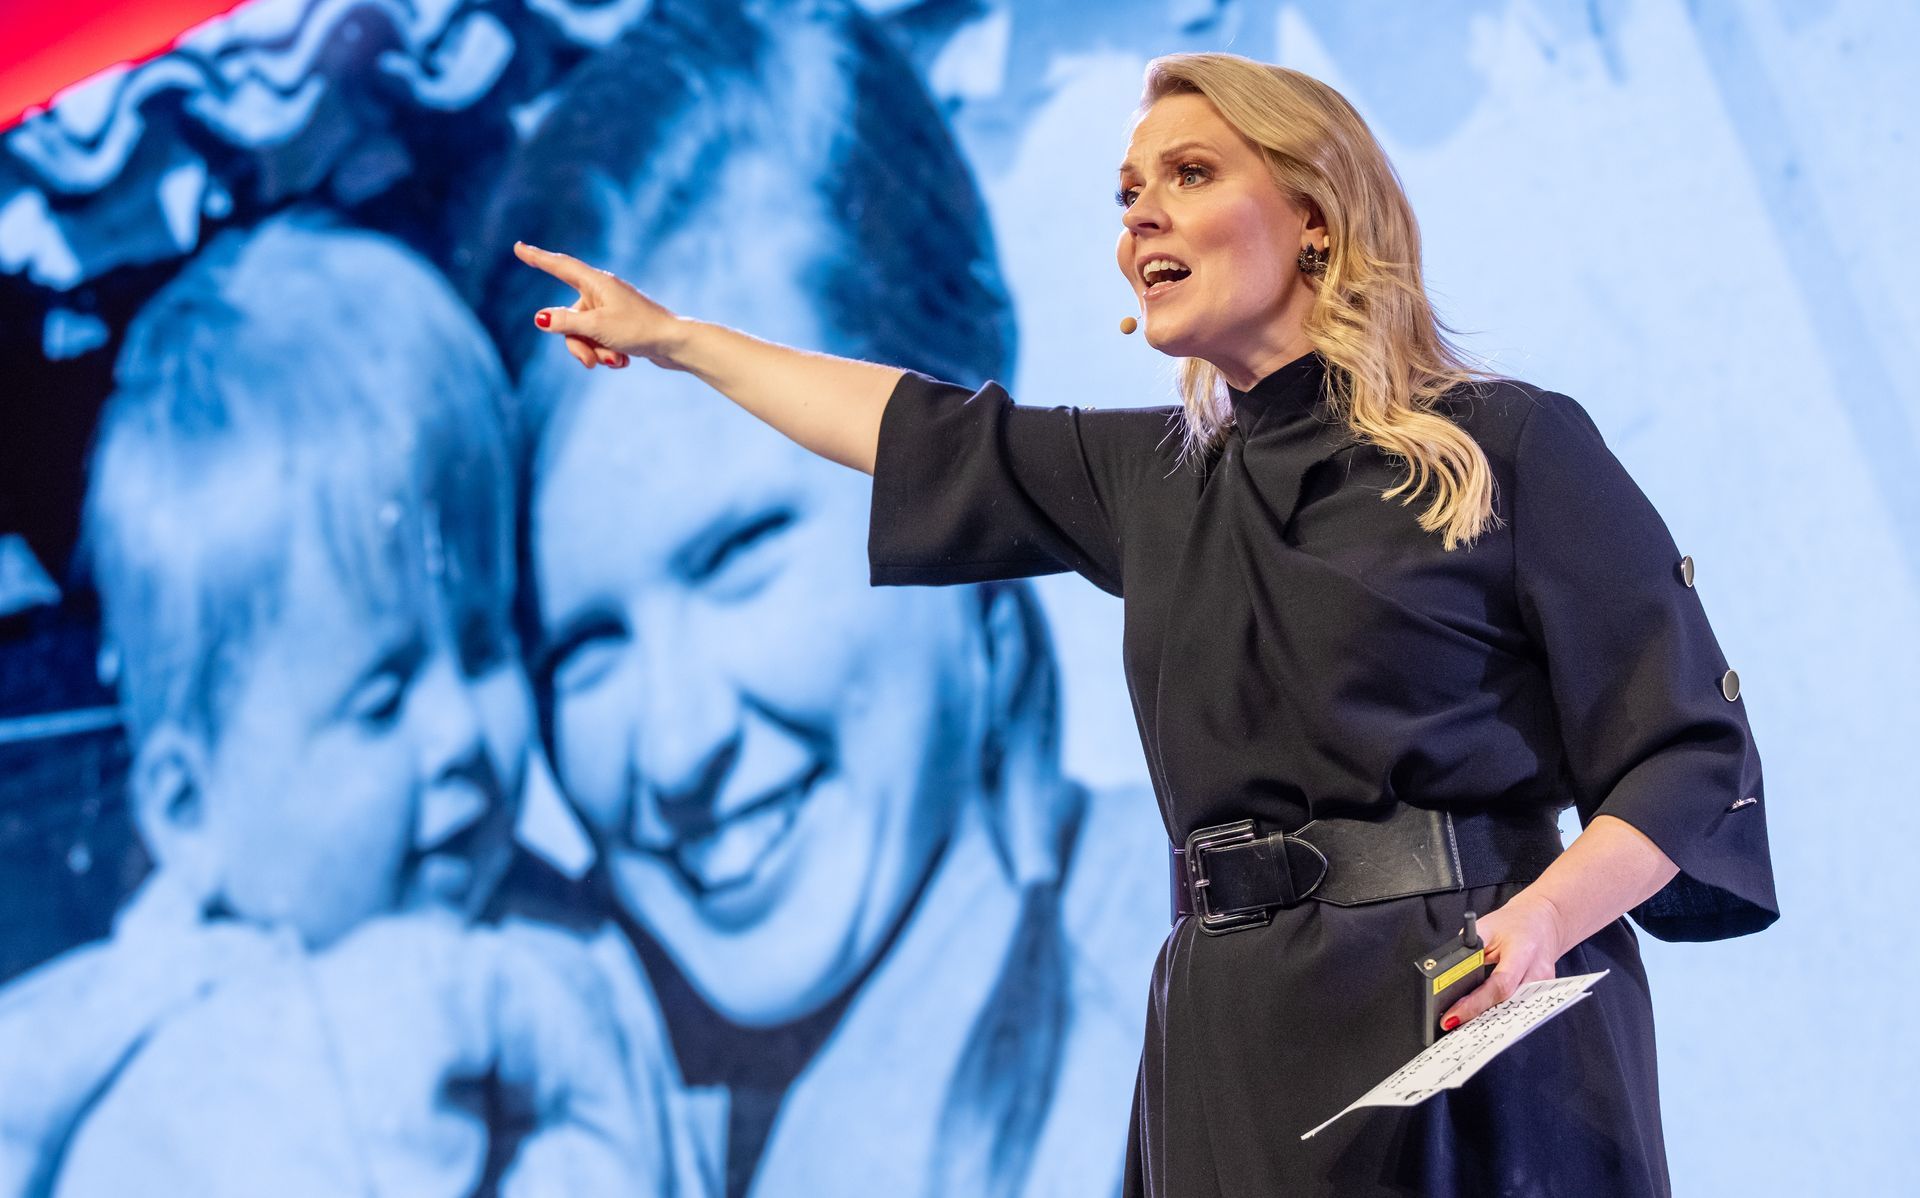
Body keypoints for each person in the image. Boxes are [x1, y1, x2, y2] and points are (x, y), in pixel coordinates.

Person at [509, 49, 1780, 1197]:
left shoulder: (1508, 445)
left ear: (1316, 219)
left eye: (1187, 173)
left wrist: (1546, 919)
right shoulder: (1158, 481)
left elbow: (1687, 751)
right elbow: (909, 427)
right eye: (1128, 194)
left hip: (1470, 1002)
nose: (1141, 217)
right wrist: (676, 340)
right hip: (1235, 1033)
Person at [469, 2, 1167, 1194]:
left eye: (740, 552)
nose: (675, 743)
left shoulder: (1248, 990)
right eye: (582, 645)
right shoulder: (508, 1089)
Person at [0, 213, 695, 1197]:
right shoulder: (212, 1097)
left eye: (484, 642)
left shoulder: (539, 922)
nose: (460, 732)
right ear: (192, 811)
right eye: (381, 699)